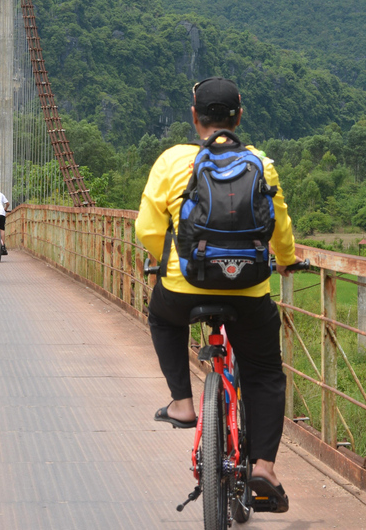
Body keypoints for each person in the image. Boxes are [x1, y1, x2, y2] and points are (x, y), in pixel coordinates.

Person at [135, 77, 299, 513]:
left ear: (195, 117)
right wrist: (285, 259)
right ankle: (264, 466)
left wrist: (166, 260)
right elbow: (279, 228)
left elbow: (147, 230)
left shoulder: (172, 161)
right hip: (248, 290)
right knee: (264, 373)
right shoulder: (260, 163)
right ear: (238, 117)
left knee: (161, 317)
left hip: (184, 287)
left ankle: (184, 403)